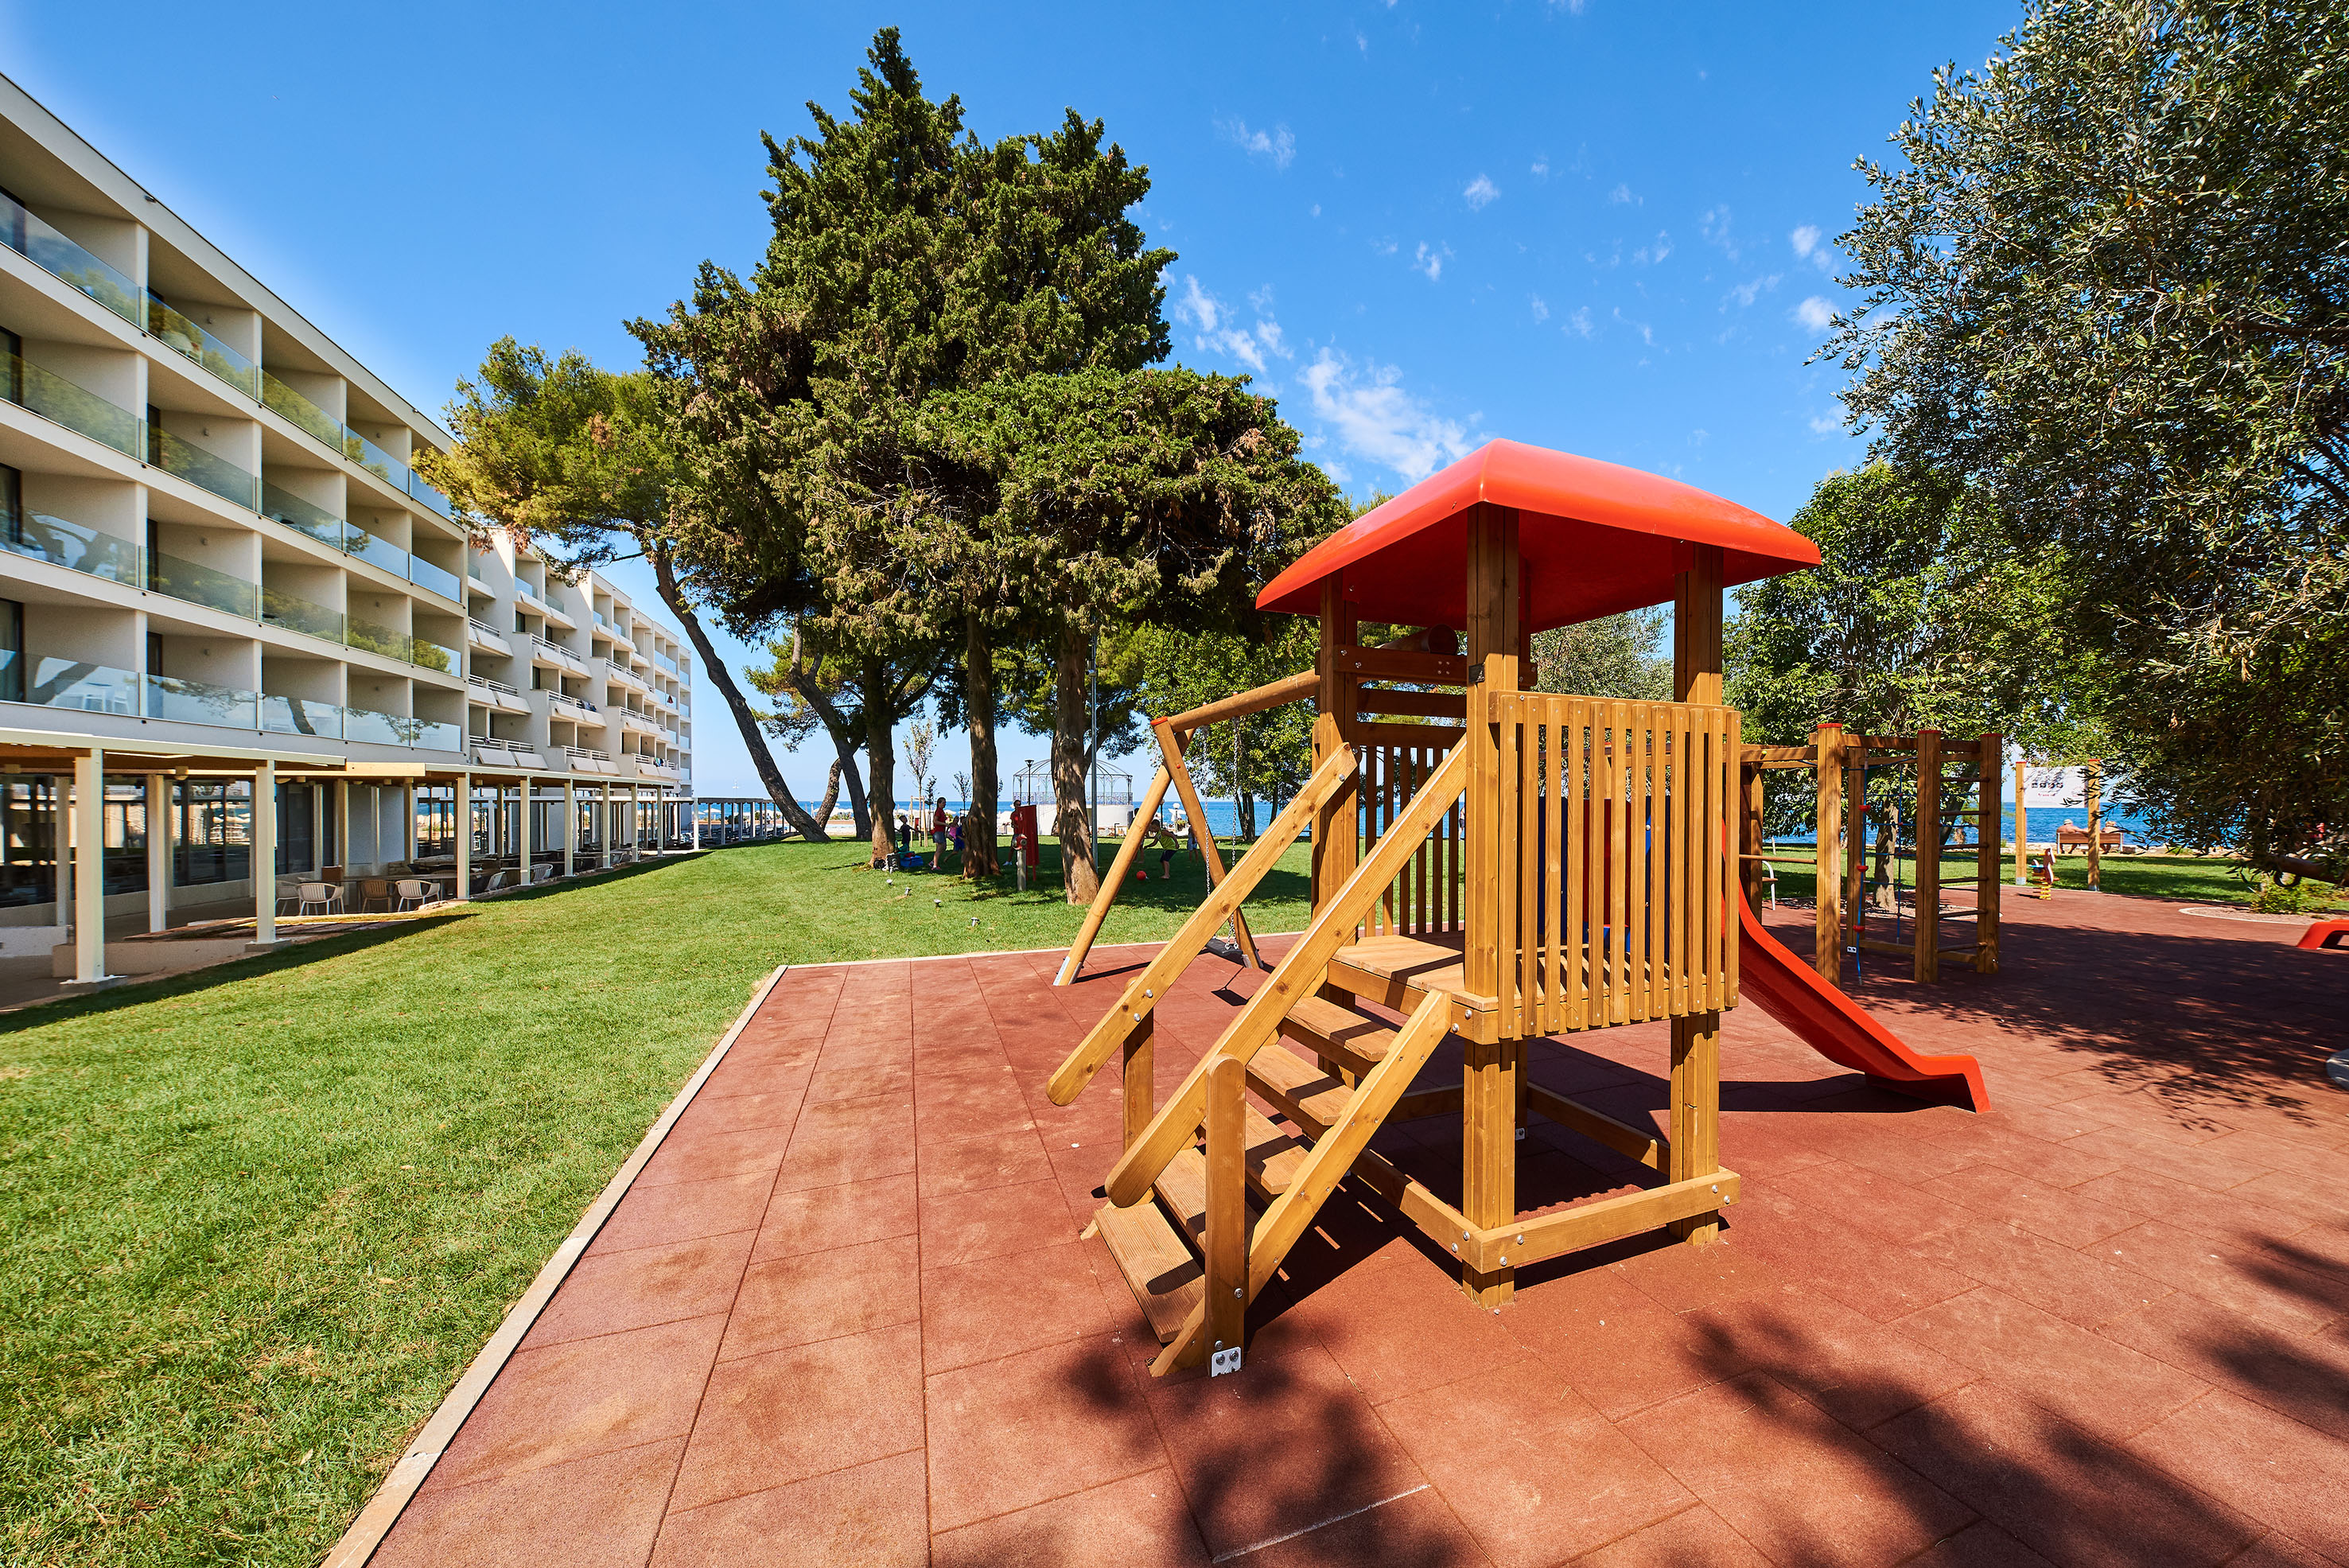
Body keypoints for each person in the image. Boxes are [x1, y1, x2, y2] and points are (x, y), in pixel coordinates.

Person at [930, 796, 951, 872]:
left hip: (941, 831)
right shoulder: (938, 811)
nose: (945, 804)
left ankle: (933, 862)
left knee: (944, 847)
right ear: (939, 803)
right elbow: (935, 821)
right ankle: (935, 866)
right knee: (939, 848)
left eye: (945, 802)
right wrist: (944, 824)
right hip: (938, 831)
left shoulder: (942, 811)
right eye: (943, 802)